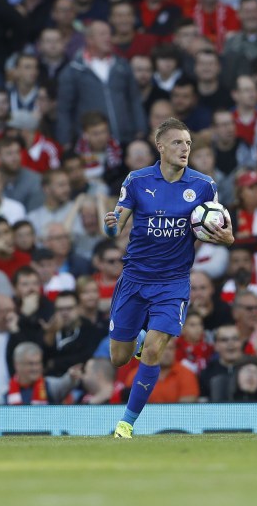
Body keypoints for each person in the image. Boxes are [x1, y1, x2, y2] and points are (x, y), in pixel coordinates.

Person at [104, 118, 235, 438]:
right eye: (178, 143)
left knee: (153, 351)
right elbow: (114, 230)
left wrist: (228, 238)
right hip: (135, 278)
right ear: (160, 147)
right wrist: (109, 223)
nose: (185, 149)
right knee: (119, 359)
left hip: (173, 283)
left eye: (188, 144)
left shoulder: (204, 185)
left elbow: (217, 226)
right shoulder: (137, 181)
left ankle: (126, 424)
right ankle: (134, 340)